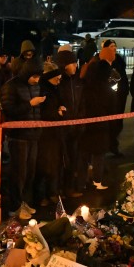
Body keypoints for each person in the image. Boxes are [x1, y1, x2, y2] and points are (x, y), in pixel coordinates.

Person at [0, 58, 45, 219]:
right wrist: (30, 104)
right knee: (18, 172)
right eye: (34, 76)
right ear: (27, 74)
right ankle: (15, 206)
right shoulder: (11, 86)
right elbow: (9, 110)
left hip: (34, 134)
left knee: (30, 172)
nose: (37, 80)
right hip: (18, 136)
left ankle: (24, 201)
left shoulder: (36, 86)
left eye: (38, 77)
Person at [80, 40, 118, 188]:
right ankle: (97, 180)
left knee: (86, 151)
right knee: (99, 152)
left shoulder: (88, 80)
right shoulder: (105, 85)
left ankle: (83, 181)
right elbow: (112, 104)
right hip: (101, 121)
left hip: (87, 119)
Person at [55, 49, 84, 195]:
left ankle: (69, 188)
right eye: (73, 63)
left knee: (73, 158)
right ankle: (57, 190)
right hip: (61, 128)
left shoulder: (77, 80)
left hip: (75, 127)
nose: (76, 66)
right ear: (65, 65)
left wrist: (80, 120)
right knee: (61, 160)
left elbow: (82, 102)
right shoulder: (59, 82)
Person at [37, 63, 66, 206]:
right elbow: (41, 111)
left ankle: (53, 191)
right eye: (57, 79)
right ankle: (41, 195)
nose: (59, 81)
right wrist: (56, 113)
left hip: (56, 132)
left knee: (55, 163)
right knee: (44, 164)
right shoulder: (41, 90)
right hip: (45, 134)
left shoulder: (55, 89)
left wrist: (61, 108)